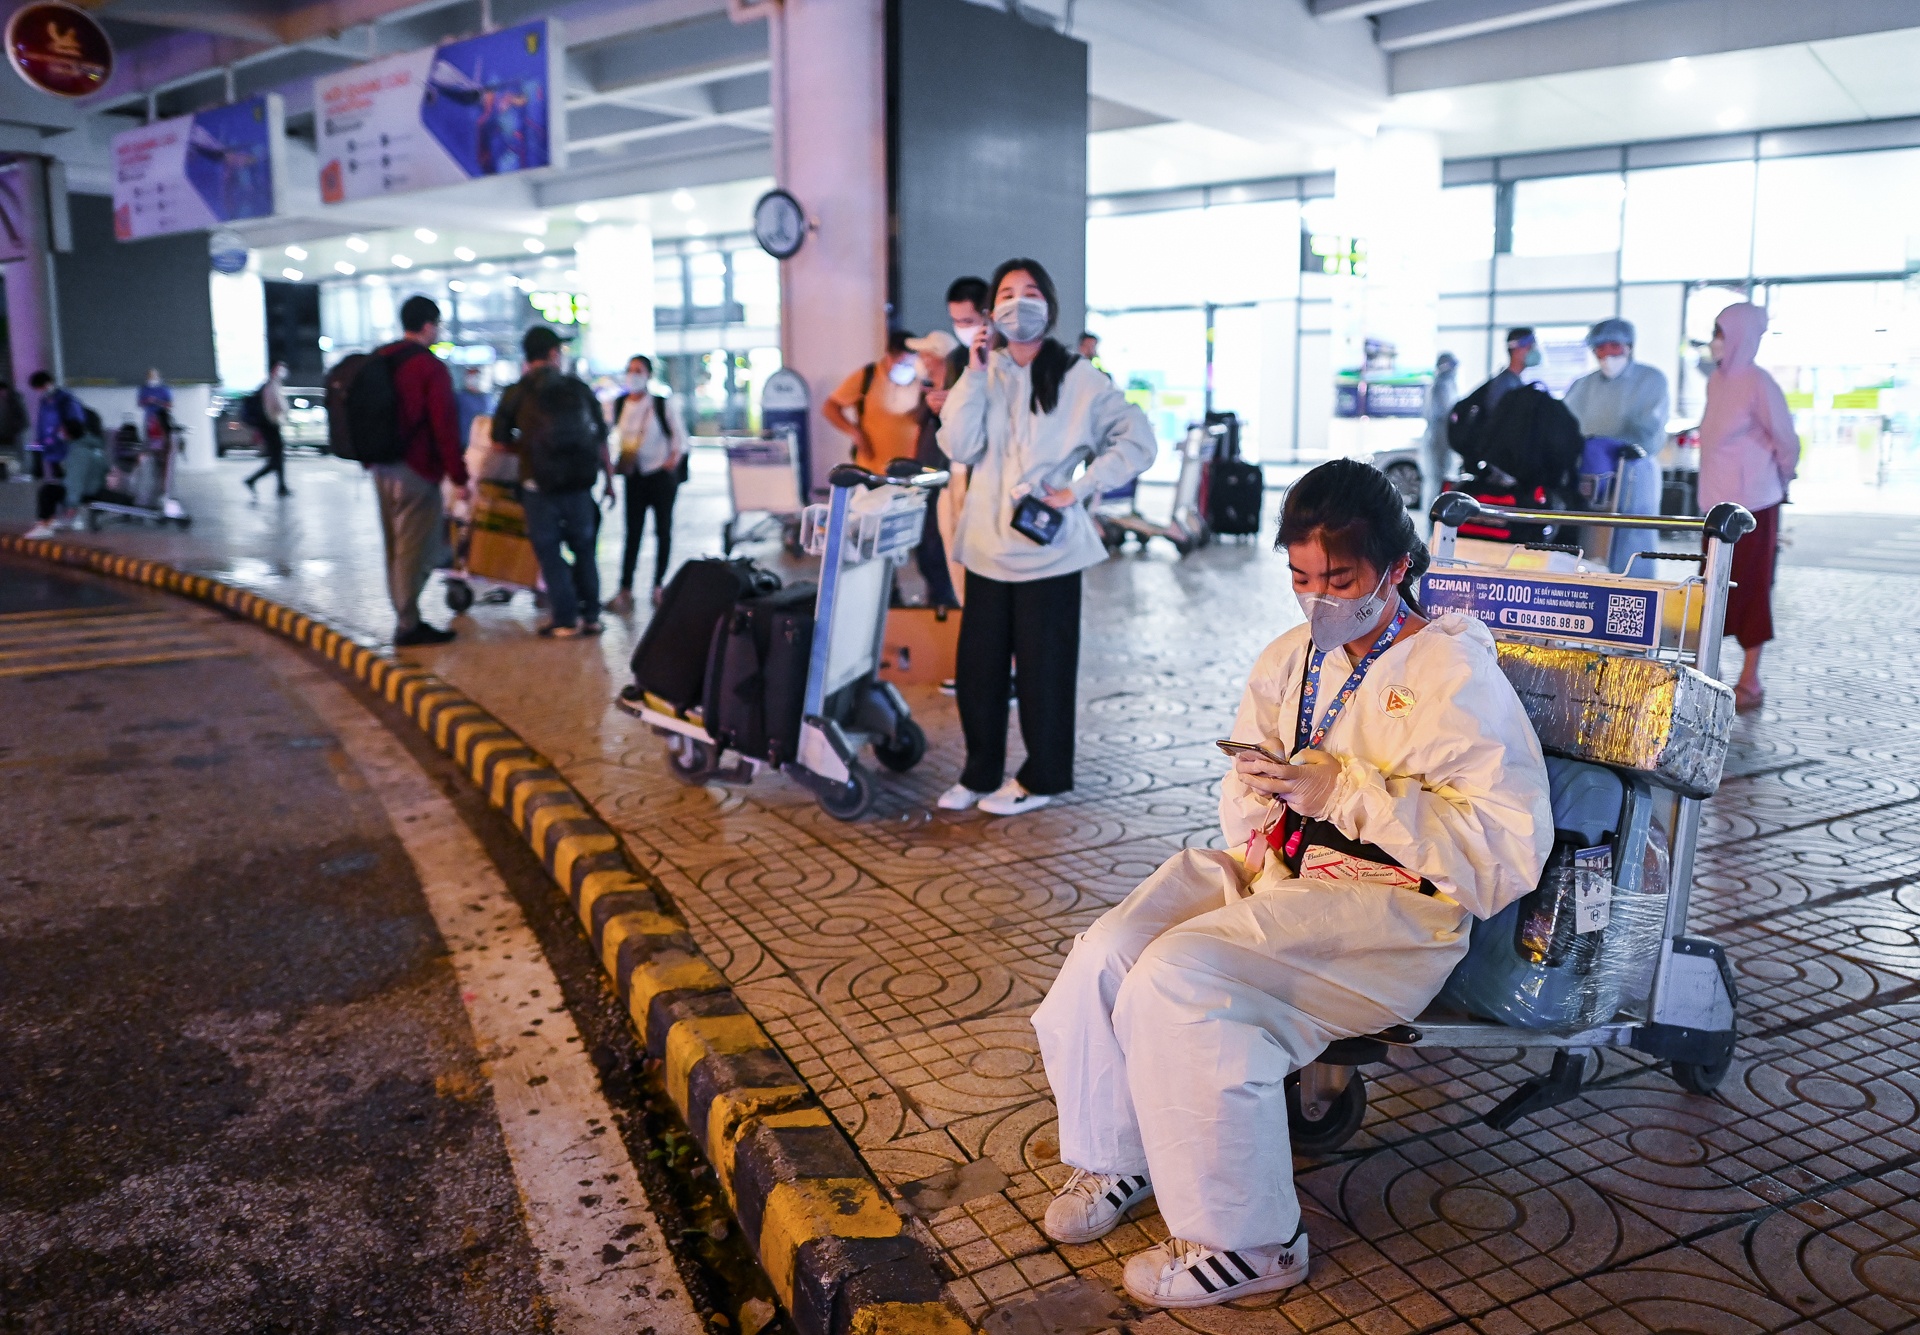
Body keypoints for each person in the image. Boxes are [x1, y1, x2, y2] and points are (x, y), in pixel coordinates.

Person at [1030, 459, 1552, 1308]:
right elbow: (1245, 789)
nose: (1318, 599)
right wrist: (1262, 786)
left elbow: (1503, 852)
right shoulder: (1291, 656)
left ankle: (1250, 1241)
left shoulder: (1452, 676)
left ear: (1395, 567)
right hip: (1281, 877)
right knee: (1109, 949)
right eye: (1301, 578)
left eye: (1339, 578)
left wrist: (1347, 792)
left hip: (1389, 918)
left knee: (1182, 978)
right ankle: (1118, 1157)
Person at [935, 257, 1156, 816]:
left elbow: (1137, 438)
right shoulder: (984, 372)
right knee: (978, 672)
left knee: (1045, 672)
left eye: (1030, 292)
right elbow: (958, 446)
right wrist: (975, 370)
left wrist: (1081, 487)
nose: (1018, 302)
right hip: (986, 548)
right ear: (992, 311)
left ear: (1049, 305)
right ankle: (979, 771)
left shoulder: (1079, 377)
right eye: (1006, 293)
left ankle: (1045, 777)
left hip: (1050, 552)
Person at [1698, 302, 1798, 713]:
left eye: (1721, 332)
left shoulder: (1759, 383)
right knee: (1713, 587)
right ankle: (1711, 669)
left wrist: (1784, 479)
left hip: (1753, 506)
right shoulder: (1717, 382)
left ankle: (1750, 677)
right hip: (1714, 507)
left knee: (1752, 586)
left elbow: (1786, 440)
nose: (1716, 341)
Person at [492, 326, 612, 638]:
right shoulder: (578, 387)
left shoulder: (516, 392)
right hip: (581, 484)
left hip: (538, 486)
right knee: (585, 549)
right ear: (554, 354)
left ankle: (565, 619)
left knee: (549, 551)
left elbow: (498, 441)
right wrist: (609, 481)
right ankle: (592, 616)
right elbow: (600, 436)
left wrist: (528, 448)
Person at [369, 295, 469, 647]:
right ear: (428, 325)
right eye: (437, 324)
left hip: (381, 467)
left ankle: (405, 616)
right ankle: (408, 622)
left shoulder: (381, 358)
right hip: (416, 470)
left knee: (394, 546)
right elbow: (444, 426)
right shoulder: (430, 367)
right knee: (420, 548)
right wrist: (458, 476)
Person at [1564, 318, 1670, 573]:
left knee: (1632, 544)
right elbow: (1566, 423)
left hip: (1634, 474)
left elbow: (1650, 428)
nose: (1607, 355)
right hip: (1592, 477)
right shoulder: (1583, 385)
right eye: (1600, 348)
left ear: (1629, 346)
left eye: (1614, 347)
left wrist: (1620, 445)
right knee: (1592, 545)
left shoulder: (1650, 379)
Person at [607, 353, 688, 612]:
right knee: (632, 533)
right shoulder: (619, 405)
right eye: (630, 369)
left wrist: (671, 462)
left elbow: (681, 439)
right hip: (634, 477)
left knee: (662, 531)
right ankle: (625, 588)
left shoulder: (661, 405)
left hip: (660, 477)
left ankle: (658, 585)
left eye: (639, 370)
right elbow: (606, 434)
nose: (633, 375)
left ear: (649, 375)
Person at [904, 330, 962, 608]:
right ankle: (937, 606)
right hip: (925, 481)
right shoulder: (930, 395)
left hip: (943, 484)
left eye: (926, 354)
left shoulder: (958, 395)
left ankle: (945, 610)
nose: (921, 360)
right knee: (926, 549)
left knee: (937, 549)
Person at [823, 329, 924, 473]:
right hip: (873, 468)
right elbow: (830, 407)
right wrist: (855, 433)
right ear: (889, 357)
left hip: (911, 468)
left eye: (911, 364)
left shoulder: (921, 379)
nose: (908, 369)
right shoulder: (867, 376)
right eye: (903, 364)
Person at [27, 370, 84, 483]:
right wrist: (39, 439)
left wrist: (66, 431)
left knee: (67, 475)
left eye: (40, 388)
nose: (40, 392)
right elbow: (41, 422)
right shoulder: (44, 401)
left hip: (64, 444)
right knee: (56, 475)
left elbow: (75, 421)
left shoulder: (66, 399)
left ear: (48, 384)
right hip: (50, 443)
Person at [245, 361, 291, 498]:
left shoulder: (270, 385)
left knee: (278, 458)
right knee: (276, 459)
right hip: (271, 425)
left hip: (270, 425)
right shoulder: (271, 386)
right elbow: (277, 406)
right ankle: (252, 480)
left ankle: (281, 486)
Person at [1420, 351, 1458, 513]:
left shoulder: (1447, 385)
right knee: (1436, 484)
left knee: (1440, 483)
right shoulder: (1440, 387)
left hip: (1441, 440)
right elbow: (1444, 413)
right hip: (1438, 440)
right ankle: (1434, 521)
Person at [137, 369, 172, 446]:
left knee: (164, 440)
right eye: (149, 376)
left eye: (153, 376)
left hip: (162, 417)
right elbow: (140, 403)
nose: (151, 378)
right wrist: (147, 401)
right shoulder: (144, 389)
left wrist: (157, 401)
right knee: (149, 439)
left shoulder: (164, 389)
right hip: (149, 418)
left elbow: (169, 405)